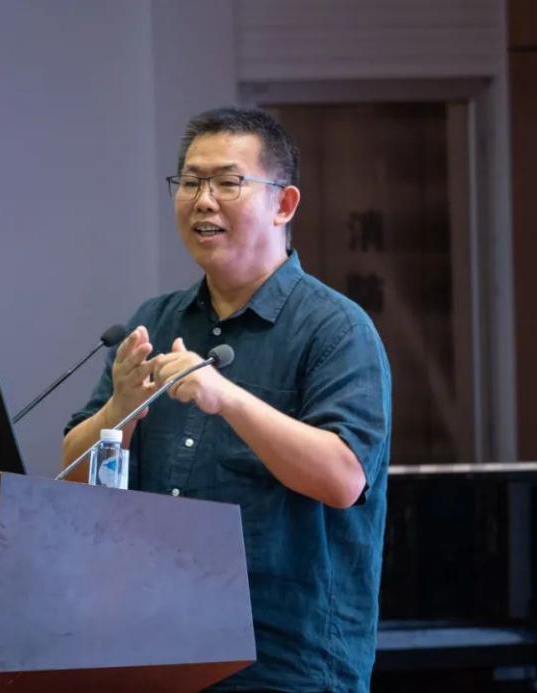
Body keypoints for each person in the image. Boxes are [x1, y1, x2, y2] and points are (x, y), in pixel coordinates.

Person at [63, 107, 391, 692]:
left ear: (284, 204)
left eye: (227, 183)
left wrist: (228, 400)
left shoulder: (336, 330)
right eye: (190, 182)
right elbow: (70, 477)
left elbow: (343, 478)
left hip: (284, 665)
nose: (203, 201)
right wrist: (119, 411)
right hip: (153, 650)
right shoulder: (154, 321)